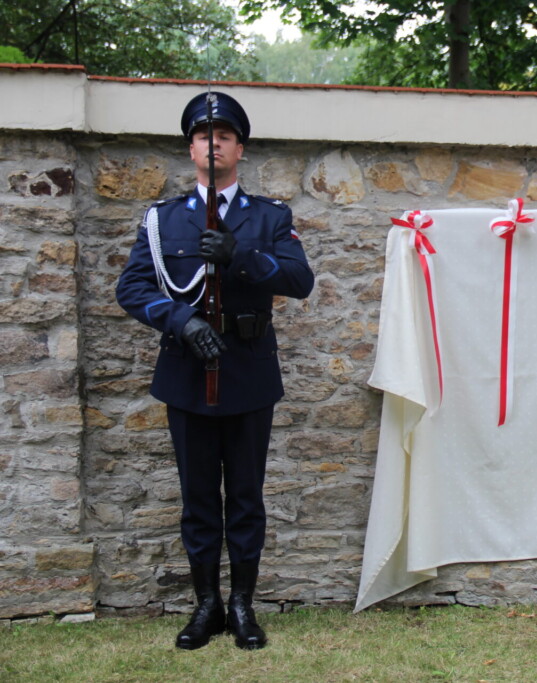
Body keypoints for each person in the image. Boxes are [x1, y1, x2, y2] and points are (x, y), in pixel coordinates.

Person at [116, 92, 314, 650]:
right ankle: (207, 606)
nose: (214, 143)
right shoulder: (162, 221)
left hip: (248, 372)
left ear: (239, 148)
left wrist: (240, 255)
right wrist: (180, 321)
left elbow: (300, 281)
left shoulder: (270, 217)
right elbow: (131, 287)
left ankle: (244, 606)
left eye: (224, 136)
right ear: (191, 148)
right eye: (204, 136)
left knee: (246, 498)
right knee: (199, 498)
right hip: (187, 373)